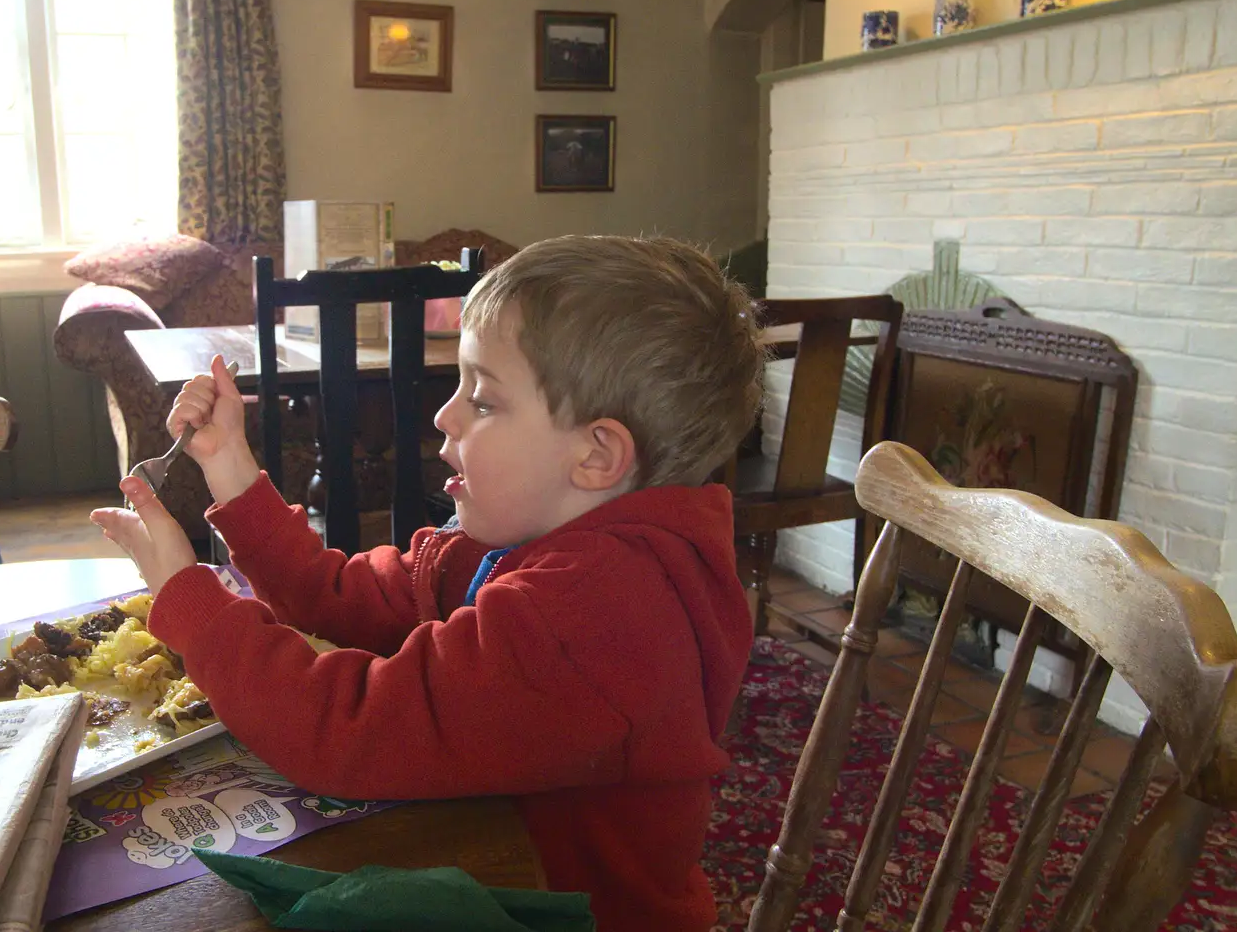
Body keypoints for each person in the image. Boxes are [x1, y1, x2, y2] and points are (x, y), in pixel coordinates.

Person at [91, 235, 766, 932]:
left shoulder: (599, 614)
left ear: (596, 455)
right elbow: (343, 594)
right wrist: (229, 462)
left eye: (484, 399)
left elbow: (347, 730)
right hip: (497, 856)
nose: (444, 416)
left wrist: (189, 598)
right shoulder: (522, 538)